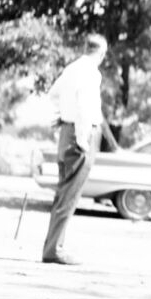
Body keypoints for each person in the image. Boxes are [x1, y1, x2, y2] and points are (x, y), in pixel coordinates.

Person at [43, 33, 118, 265]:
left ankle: (54, 246)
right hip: (80, 135)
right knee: (70, 195)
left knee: (63, 193)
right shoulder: (90, 73)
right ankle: (55, 249)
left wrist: (63, 117)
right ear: (102, 53)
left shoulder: (72, 68)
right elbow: (85, 107)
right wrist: (83, 139)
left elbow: (53, 94)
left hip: (67, 132)